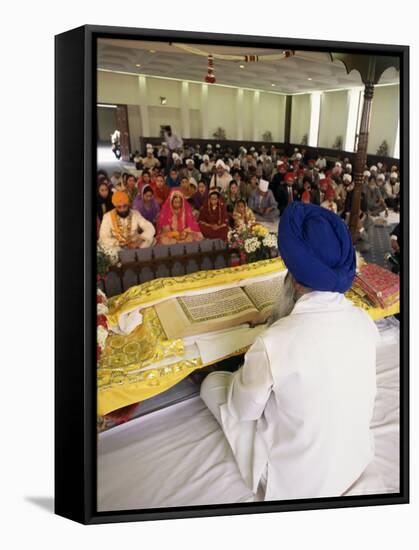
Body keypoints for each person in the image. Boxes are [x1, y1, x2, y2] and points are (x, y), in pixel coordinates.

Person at [200, 202, 380, 501]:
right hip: (356, 459)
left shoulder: (274, 342)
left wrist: (246, 376)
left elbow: (244, 410)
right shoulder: (363, 321)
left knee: (213, 385)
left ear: (294, 281)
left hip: (301, 484)